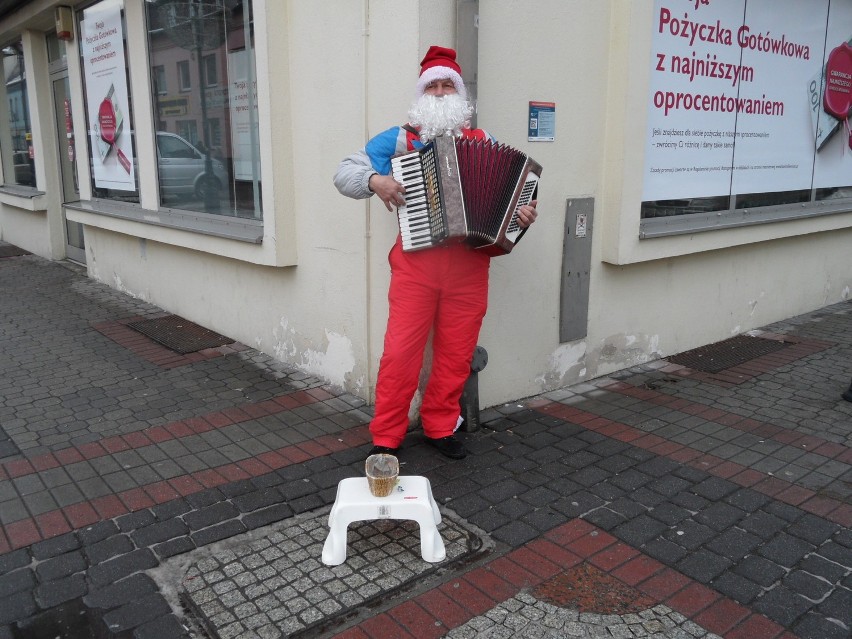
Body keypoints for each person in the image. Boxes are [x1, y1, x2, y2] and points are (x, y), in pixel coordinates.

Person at [333, 45, 538, 460]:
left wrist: (522, 214)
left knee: (456, 354)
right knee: (401, 353)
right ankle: (387, 434)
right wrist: (376, 180)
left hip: (470, 265)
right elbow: (344, 173)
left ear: (459, 94)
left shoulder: (484, 141)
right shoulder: (398, 139)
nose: (442, 92)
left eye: (449, 85)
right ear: (421, 94)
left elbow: (511, 196)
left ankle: (441, 426)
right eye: (434, 86)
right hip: (416, 264)